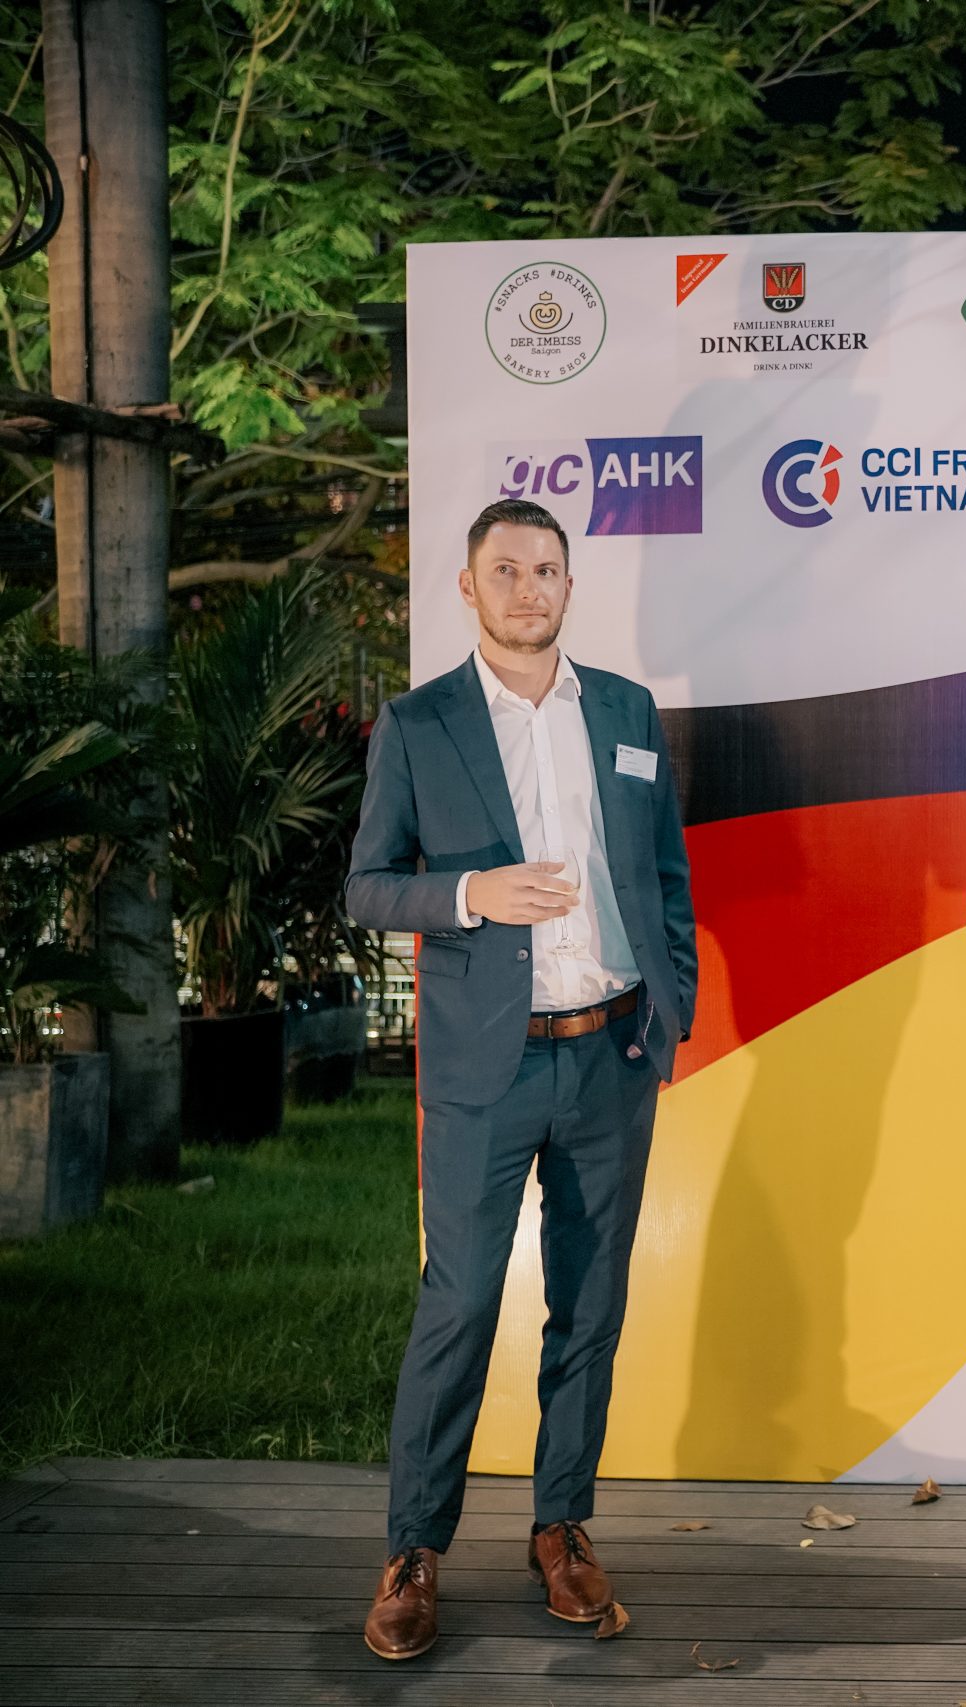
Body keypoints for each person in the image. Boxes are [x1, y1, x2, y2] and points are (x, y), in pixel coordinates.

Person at [344, 498, 698, 1661]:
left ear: (567, 585)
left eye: (546, 569)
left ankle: (562, 1527)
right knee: (458, 1303)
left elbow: (664, 877)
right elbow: (366, 887)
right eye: (505, 570)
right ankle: (413, 1551)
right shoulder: (420, 723)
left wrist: (669, 1012)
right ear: (468, 587)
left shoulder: (627, 712)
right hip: (482, 1069)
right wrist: (469, 895)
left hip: (611, 1054)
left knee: (590, 1305)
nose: (528, 588)